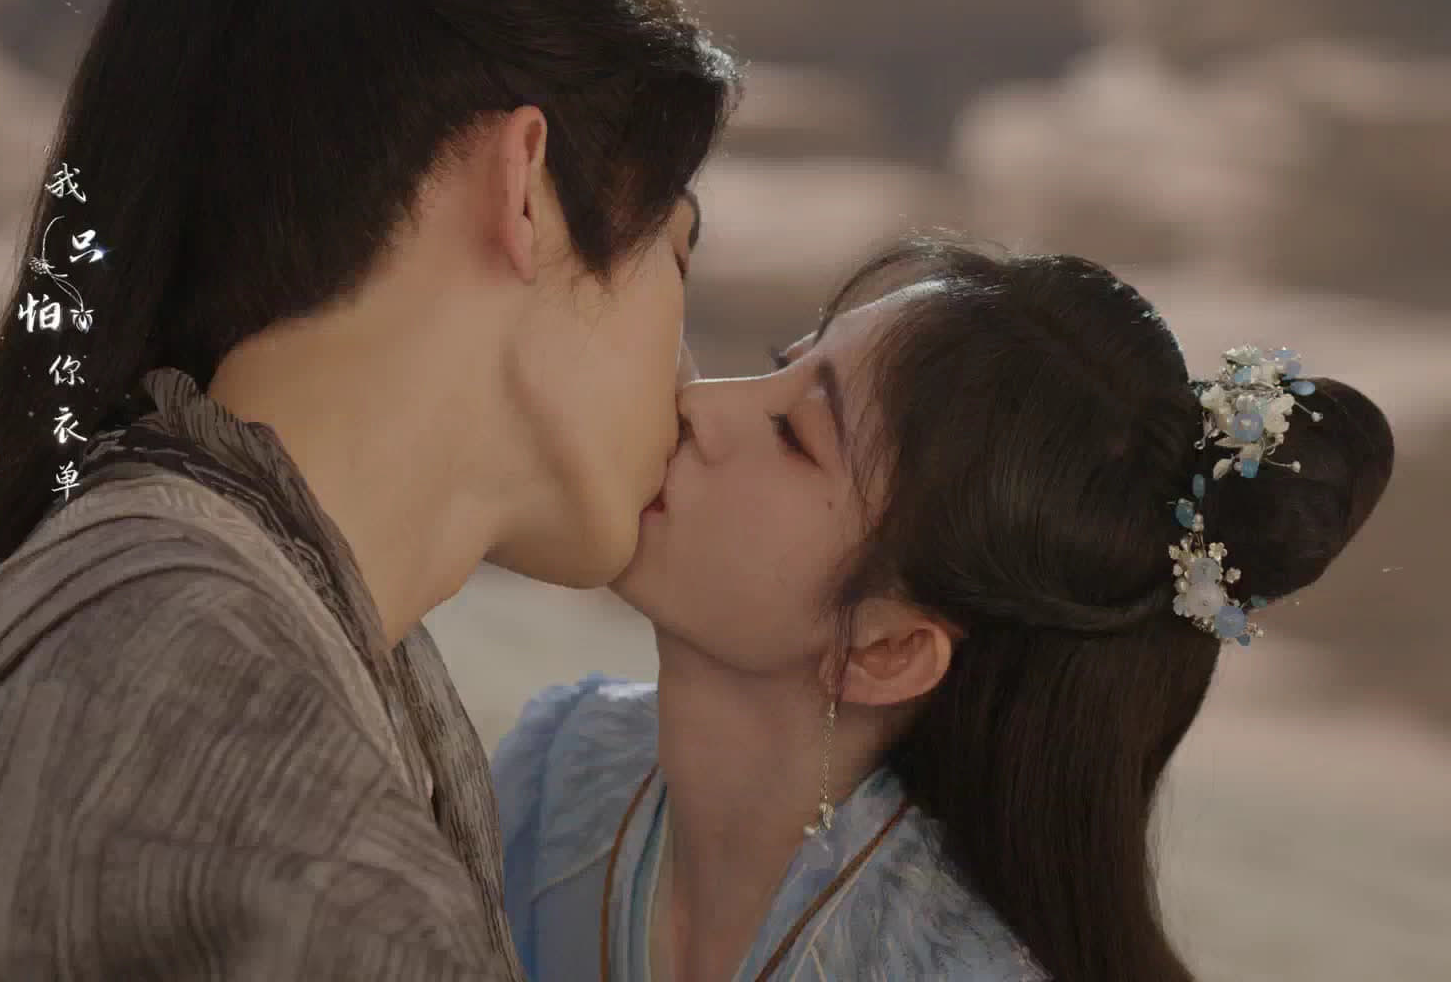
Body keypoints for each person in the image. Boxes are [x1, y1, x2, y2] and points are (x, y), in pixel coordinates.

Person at [0, 0, 737, 977]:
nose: (690, 389)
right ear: (525, 191)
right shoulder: (220, 711)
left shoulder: (177, 614)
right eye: (676, 257)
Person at [491, 237, 1395, 981]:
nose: (700, 405)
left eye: (794, 436)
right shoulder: (561, 767)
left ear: (885, 649)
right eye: (779, 368)